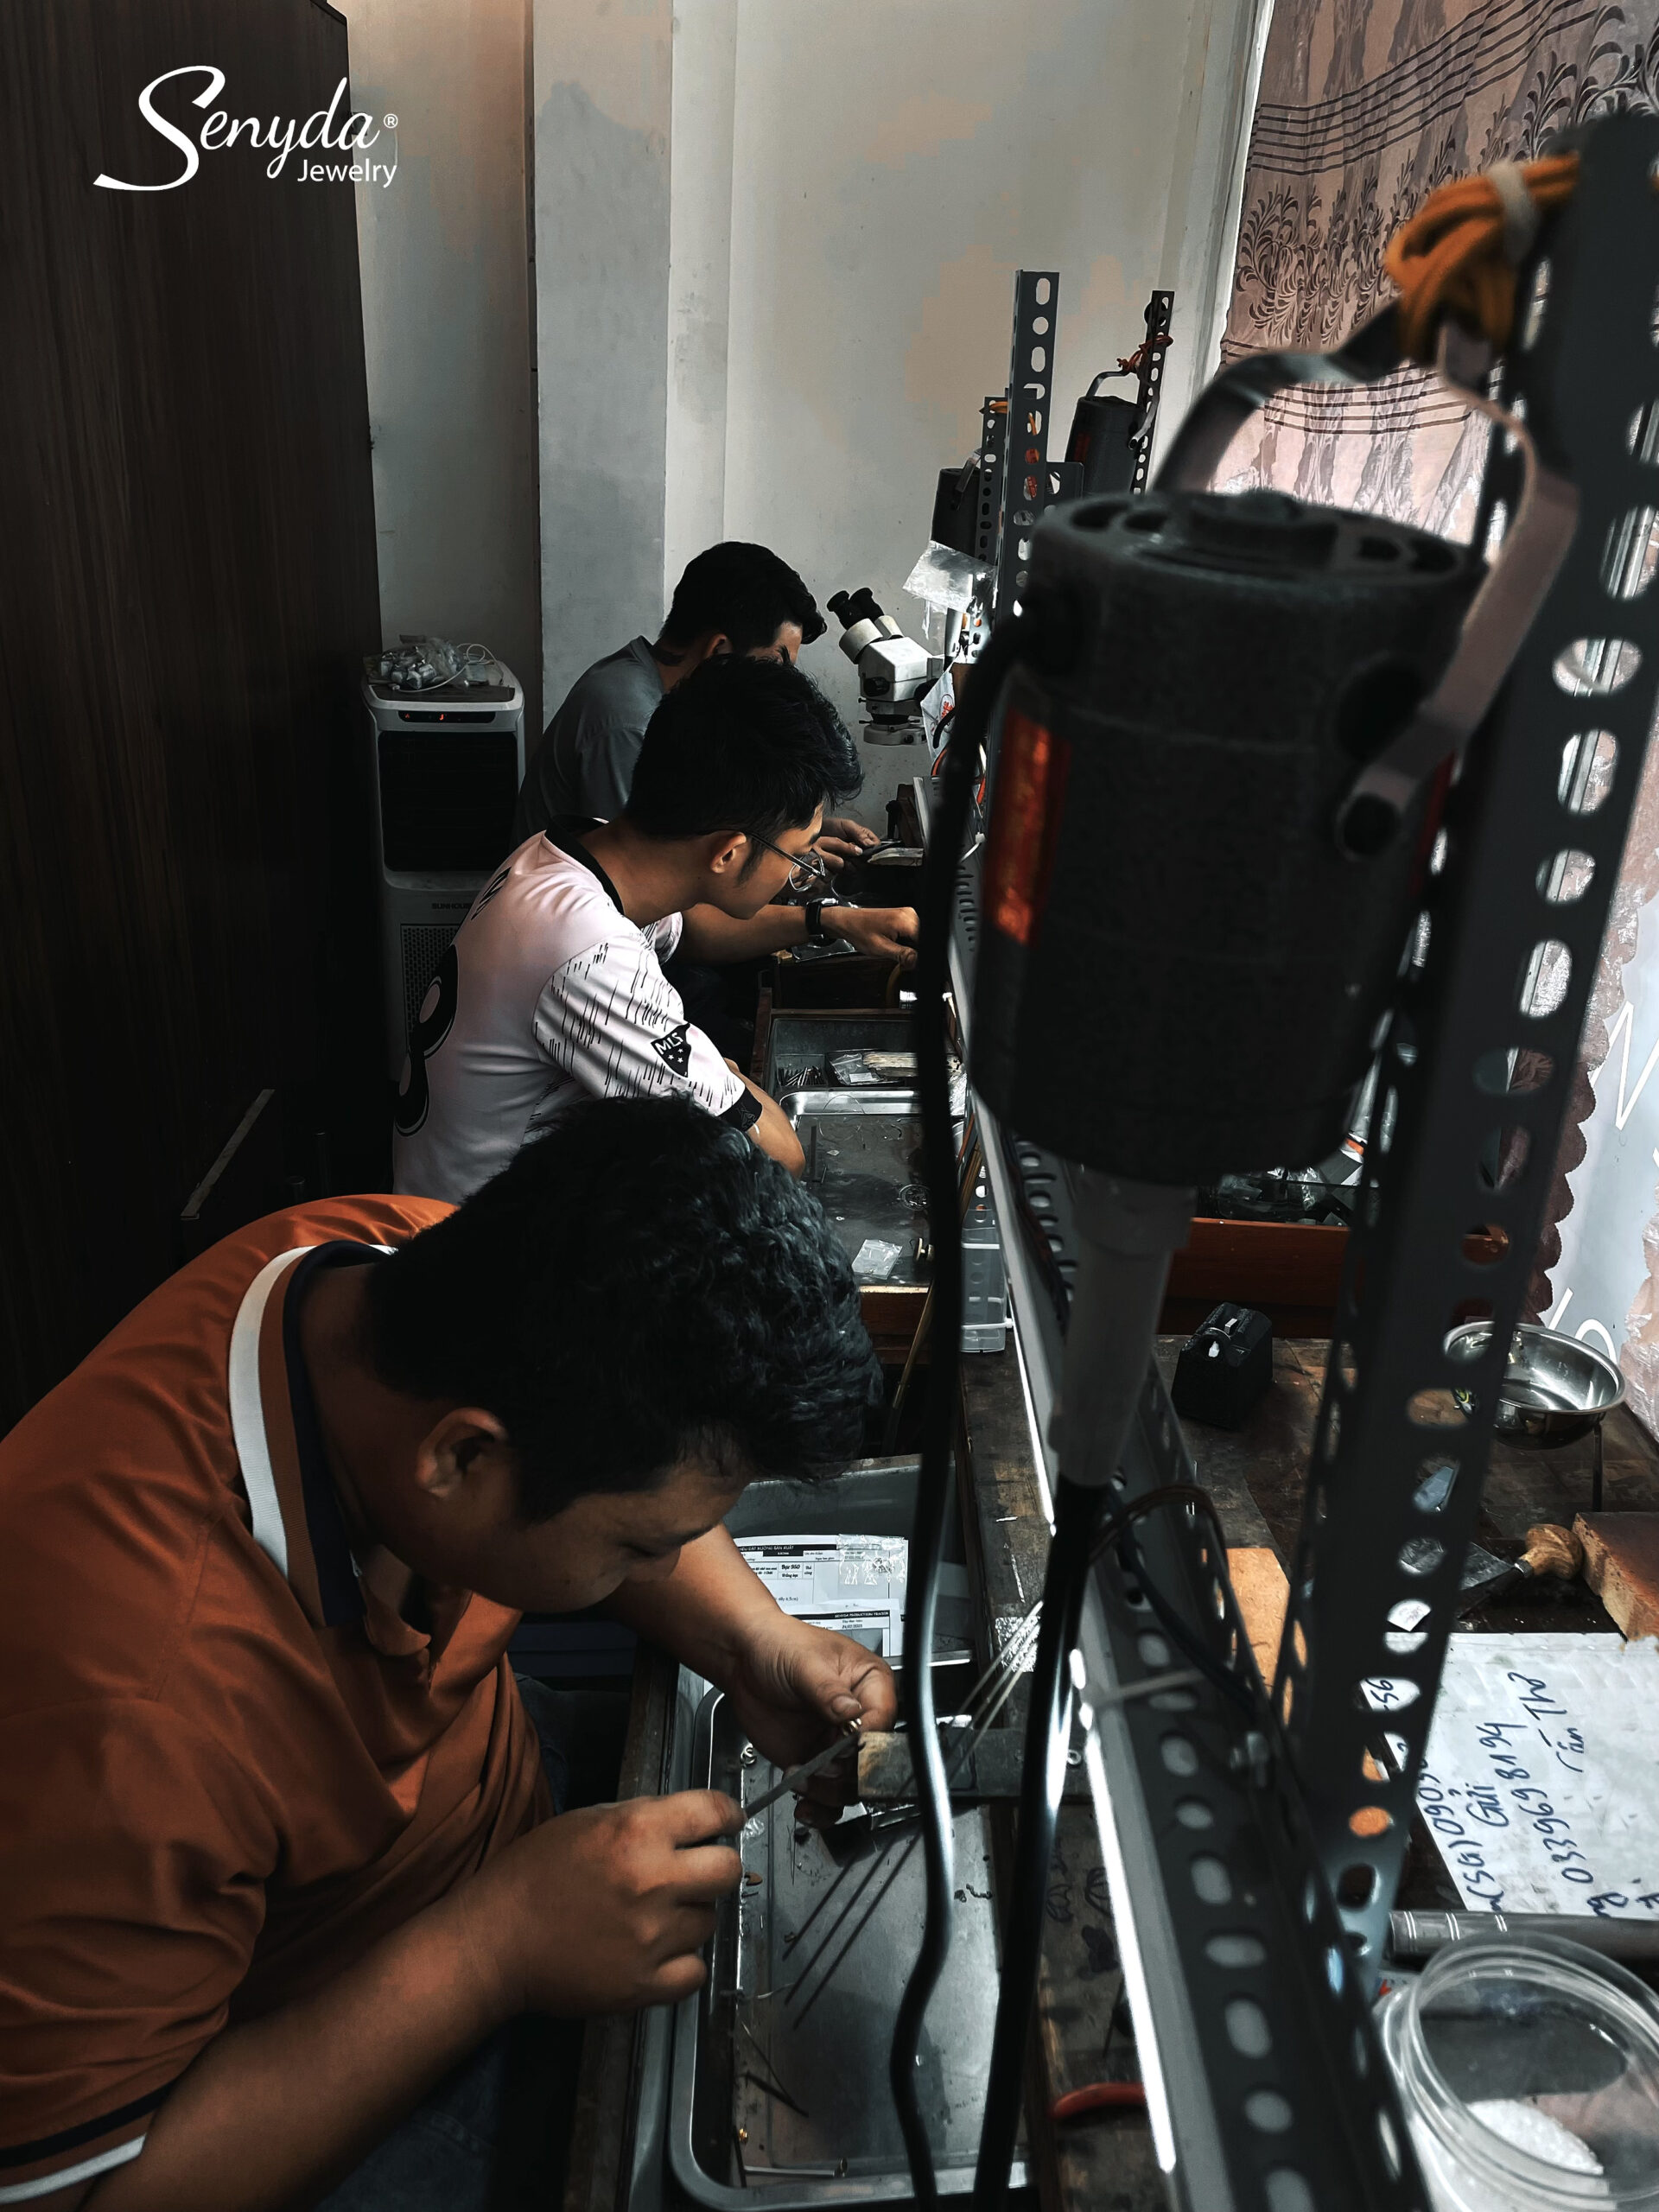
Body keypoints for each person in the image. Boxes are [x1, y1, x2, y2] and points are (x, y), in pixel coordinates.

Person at [0, 1097, 892, 2211]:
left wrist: (753, 1643)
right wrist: (495, 1950)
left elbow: (622, 1469)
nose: (664, 1565)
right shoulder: (128, 1706)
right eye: (638, 1546)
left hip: (504, 1838)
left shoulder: (421, 1273)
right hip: (318, 2062)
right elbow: (95, 2194)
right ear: (462, 1459)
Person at [394, 656, 920, 1205]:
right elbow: (775, 1158)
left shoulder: (575, 855)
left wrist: (827, 920)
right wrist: (725, 1078)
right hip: (470, 1241)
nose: (799, 872)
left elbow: (690, 930)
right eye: (796, 857)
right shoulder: (588, 954)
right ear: (728, 853)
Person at [511, 539, 878, 867]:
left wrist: (798, 836)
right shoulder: (628, 721)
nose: (777, 686)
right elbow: (654, 872)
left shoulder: (667, 696)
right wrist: (799, 887)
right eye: (772, 666)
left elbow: (695, 822)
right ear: (719, 651)